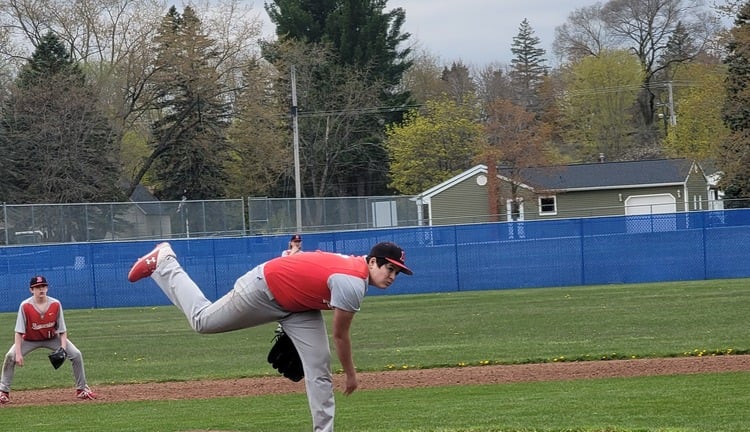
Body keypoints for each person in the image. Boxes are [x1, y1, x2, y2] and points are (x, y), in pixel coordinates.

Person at [127, 240, 412, 432]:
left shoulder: (354, 268)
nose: (392, 276)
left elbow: (313, 265)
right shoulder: (353, 282)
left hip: (298, 307)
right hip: (264, 289)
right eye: (389, 268)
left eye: (397, 272)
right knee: (203, 321)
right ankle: (165, 261)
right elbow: (340, 336)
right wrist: (351, 374)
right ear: (372, 262)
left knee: (319, 367)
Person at [0, 276, 97, 404]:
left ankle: (82, 389)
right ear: (31, 290)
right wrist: (18, 353)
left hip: (52, 338)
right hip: (29, 339)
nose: (41, 289)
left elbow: (62, 330)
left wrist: (62, 348)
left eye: (43, 286)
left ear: (47, 288)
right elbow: (18, 332)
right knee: (10, 356)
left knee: (76, 354)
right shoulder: (25, 306)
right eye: (37, 287)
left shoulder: (55, 304)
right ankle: (3, 392)